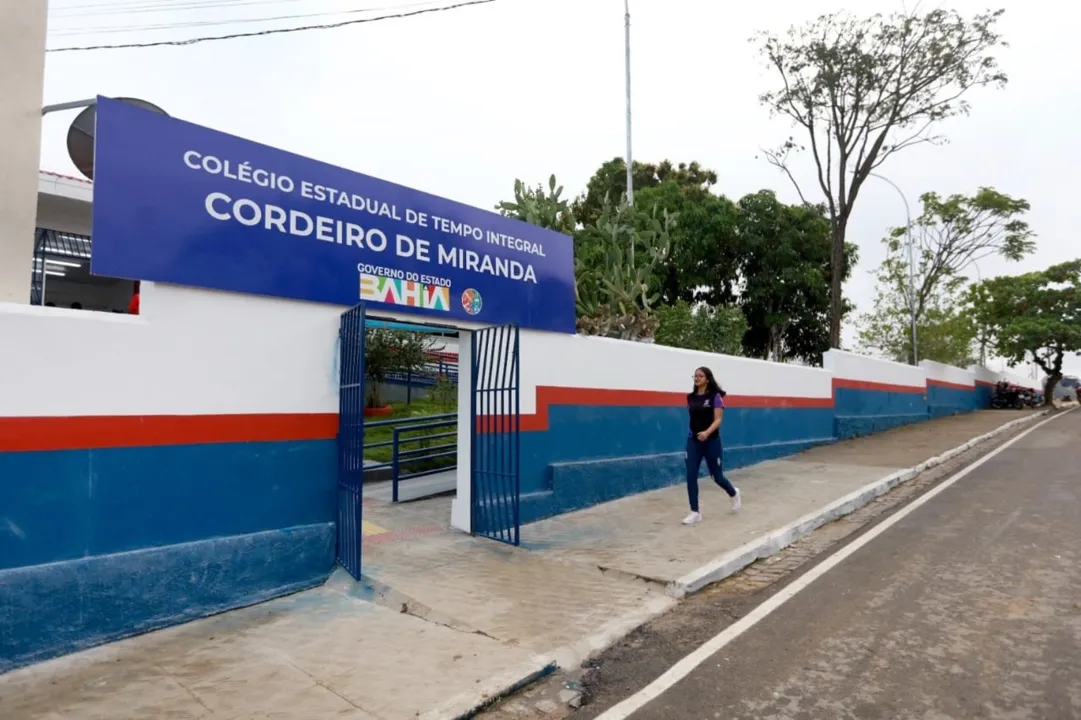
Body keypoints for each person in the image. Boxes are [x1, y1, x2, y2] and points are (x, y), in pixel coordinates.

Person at [683, 366, 741, 525]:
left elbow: (718, 420)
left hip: (711, 441)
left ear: (707, 379)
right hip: (693, 441)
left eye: (700, 376)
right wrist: (693, 435)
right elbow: (693, 420)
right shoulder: (690, 397)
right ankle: (695, 512)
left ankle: (733, 493)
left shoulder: (715, 397)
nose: (697, 378)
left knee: (717, 476)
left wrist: (707, 433)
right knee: (690, 475)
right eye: (695, 376)